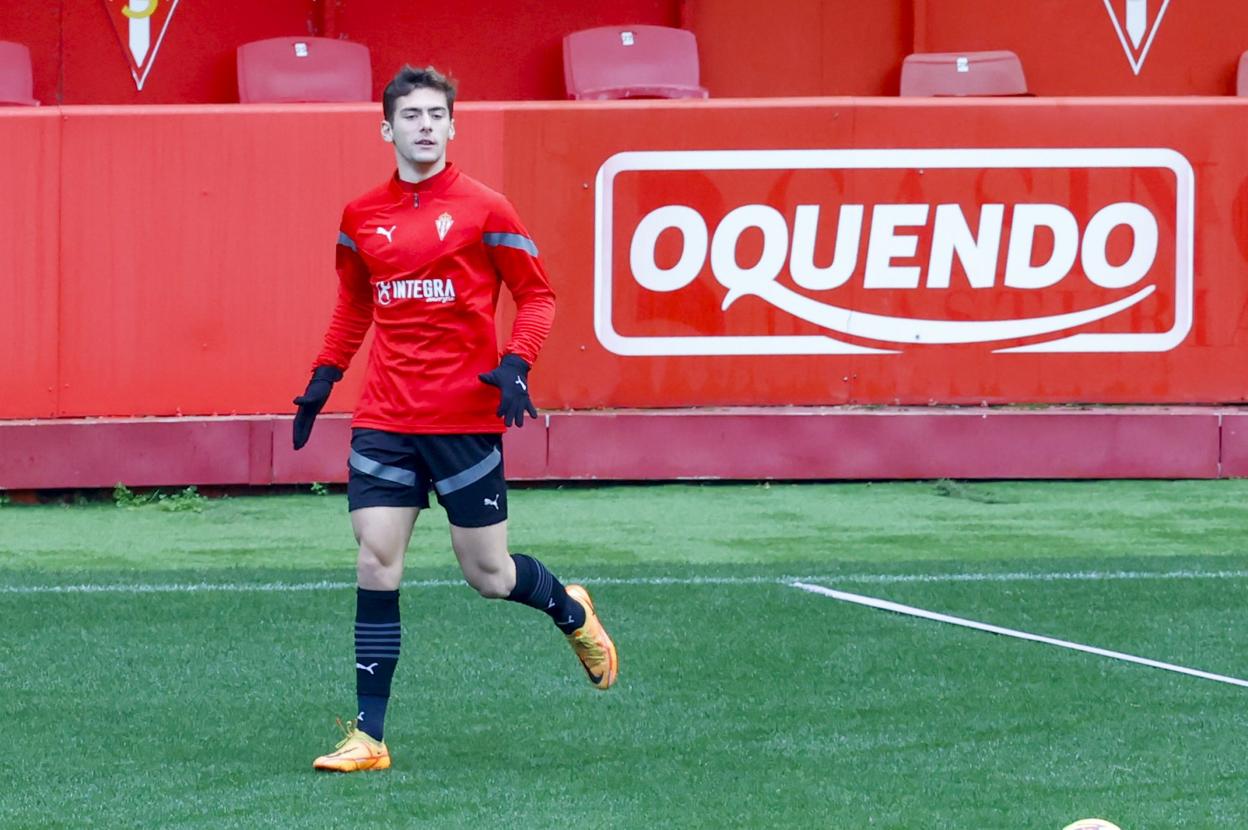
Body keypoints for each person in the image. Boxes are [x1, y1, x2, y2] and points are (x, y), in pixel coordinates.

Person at [292, 65, 618, 773]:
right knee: (377, 560)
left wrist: (517, 363)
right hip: (385, 416)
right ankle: (369, 739)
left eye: (437, 113)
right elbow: (354, 304)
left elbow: (538, 295)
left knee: (489, 574)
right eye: (410, 115)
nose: (425, 125)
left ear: (453, 125)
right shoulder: (360, 216)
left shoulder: (486, 208)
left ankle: (569, 609)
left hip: (465, 419)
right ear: (387, 129)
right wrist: (325, 374)